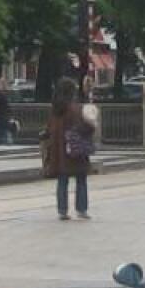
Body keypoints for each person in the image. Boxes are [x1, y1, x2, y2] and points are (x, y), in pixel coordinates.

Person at [45, 76, 95, 220]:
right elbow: (85, 127)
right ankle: (81, 209)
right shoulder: (76, 109)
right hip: (76, 150)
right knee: (81, 179)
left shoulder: (54, 110)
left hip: (59, 152)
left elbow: (49, 130)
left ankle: (62, 210)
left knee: (62, 180)